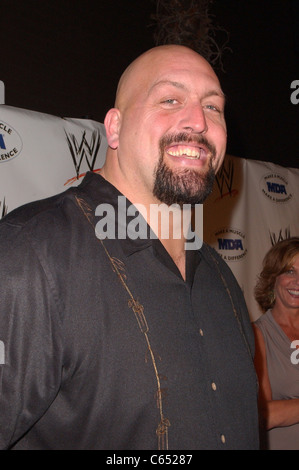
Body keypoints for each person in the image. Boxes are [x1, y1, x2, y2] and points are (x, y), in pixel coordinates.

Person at [0, 45, 259, 450]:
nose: (198, 122)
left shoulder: (221, 279)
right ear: (114, 127)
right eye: (170, 99)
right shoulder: (29, 255)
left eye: (213, 107)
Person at [253, 237, 299, 449]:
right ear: (274, 278)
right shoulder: (257, 334)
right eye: (290, 271)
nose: (297, 281)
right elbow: (263, 415)